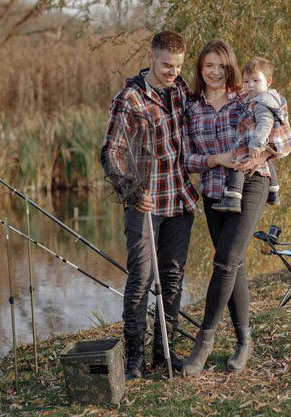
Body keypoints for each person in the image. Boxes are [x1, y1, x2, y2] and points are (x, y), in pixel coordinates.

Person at [182, 40, 291, 376]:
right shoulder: (191, 108)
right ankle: (245, 341)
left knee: (226, 259)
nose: (214, 72)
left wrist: (259, 155)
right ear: (200, 68)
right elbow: (187, 158)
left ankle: (205, 341)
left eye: (221, 66)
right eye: (208, 66)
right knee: (235, 263)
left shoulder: (246, 98)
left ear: (230, 68)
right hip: (214, 192)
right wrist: (217, 159)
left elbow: (283, 139)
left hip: (251, 183)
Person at [100, 30, 199, 381]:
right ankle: (134, 361)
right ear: (151, 56)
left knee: (172, 279)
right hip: (144, 203)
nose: (172, 72)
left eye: (178, 66)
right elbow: (110, 151)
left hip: (180, 200)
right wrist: (129, 189)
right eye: (167, 65)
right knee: (141, 279)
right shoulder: (129, 99)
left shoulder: (181, 90)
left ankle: (164, 354)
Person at [211, 56, 291, 213]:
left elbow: (265, 124)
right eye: (246, 82)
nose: (250, 85)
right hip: (259, 142)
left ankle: (233, 197)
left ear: (268, 81)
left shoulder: (262, 102)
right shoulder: (259, 98)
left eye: (256, 81)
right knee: (266, 160)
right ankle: (273, 190)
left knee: (238, 161)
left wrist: (256, 143)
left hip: (254, 141)